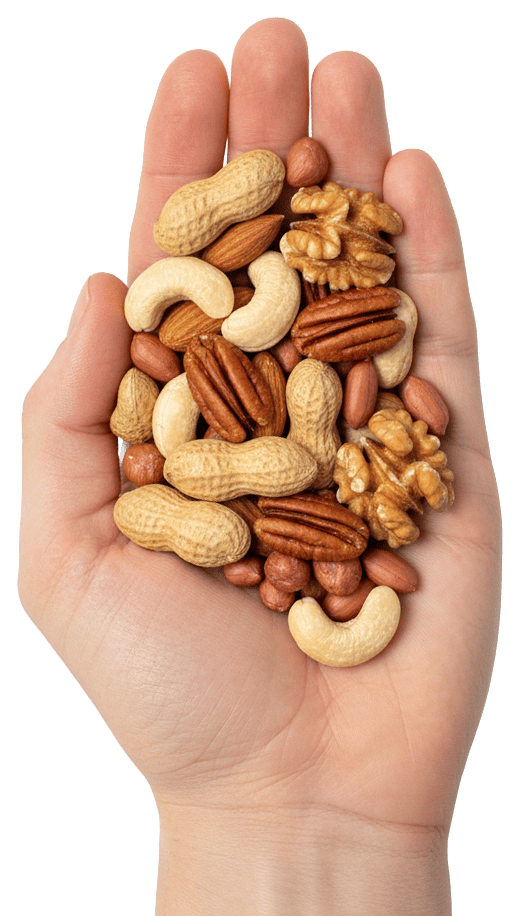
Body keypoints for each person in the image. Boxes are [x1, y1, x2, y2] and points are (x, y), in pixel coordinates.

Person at [18, 17, 502, 915]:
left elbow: (319, 371)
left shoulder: (305, 370)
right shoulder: (222, 382)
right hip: (259, 456)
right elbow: (254, 376)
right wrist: (259, 809)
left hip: (292, 444)